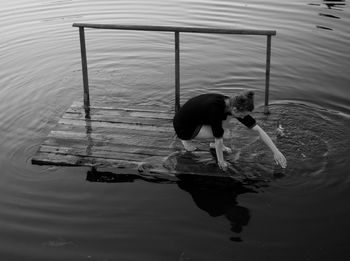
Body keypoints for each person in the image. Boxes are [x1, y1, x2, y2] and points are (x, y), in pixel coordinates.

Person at [173, 91, 287, 171]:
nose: (243, 117)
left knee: (226, 122)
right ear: (235, 109)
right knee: (225, 134)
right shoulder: (216, 110)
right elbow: (219, 138)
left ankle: (208, 143)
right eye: (242, 115)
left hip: (193, 119)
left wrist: (276, 151)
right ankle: (186, 140)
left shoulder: (231, 103)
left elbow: (258, 130)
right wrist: (221, 162)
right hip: (184, 128)